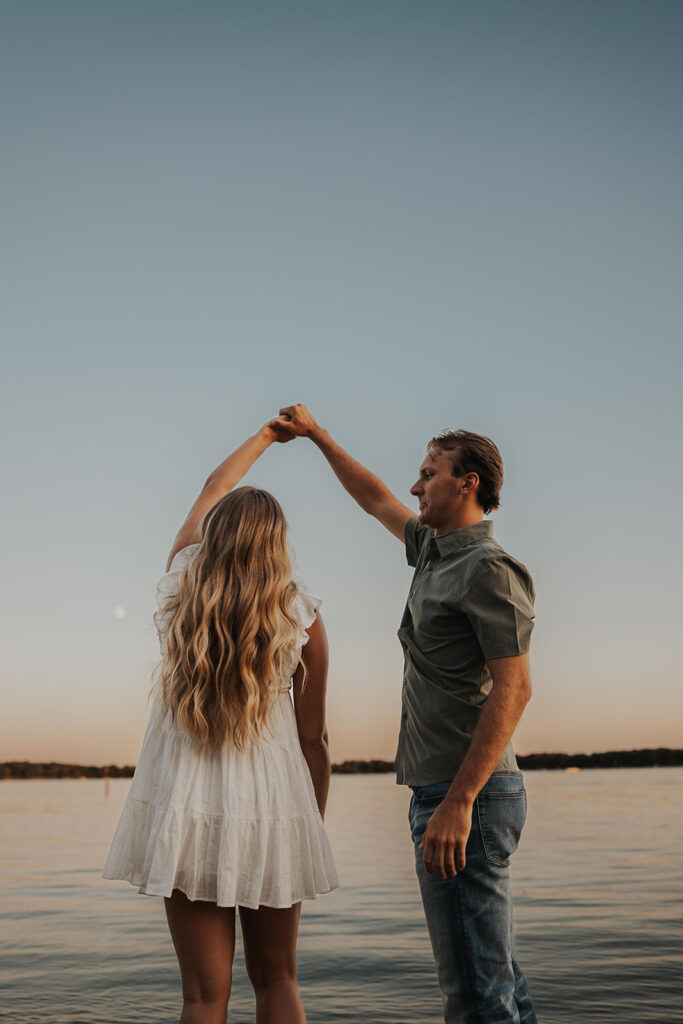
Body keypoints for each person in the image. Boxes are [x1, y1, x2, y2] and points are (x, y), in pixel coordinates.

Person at [275, 403, 537, 1024]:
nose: (415, 486)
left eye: (428, 473)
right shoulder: (433, 551)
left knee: (476, 995)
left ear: (466, 483)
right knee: (495, 981)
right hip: (443, 792)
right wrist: (317, 436)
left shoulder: (488, 570)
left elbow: (515, 689)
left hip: (466, 795)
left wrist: (459, 802)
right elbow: (374, 499)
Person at [103, 418, 338, 1024]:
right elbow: (313, 741)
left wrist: (265, 435)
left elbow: (212, 485)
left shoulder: (181, 594)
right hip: (272, 809)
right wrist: (308, 823)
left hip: (189, 812)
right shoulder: (301, 617)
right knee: (277, 980)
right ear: (278, 545)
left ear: (214, 537)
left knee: (203, 997)